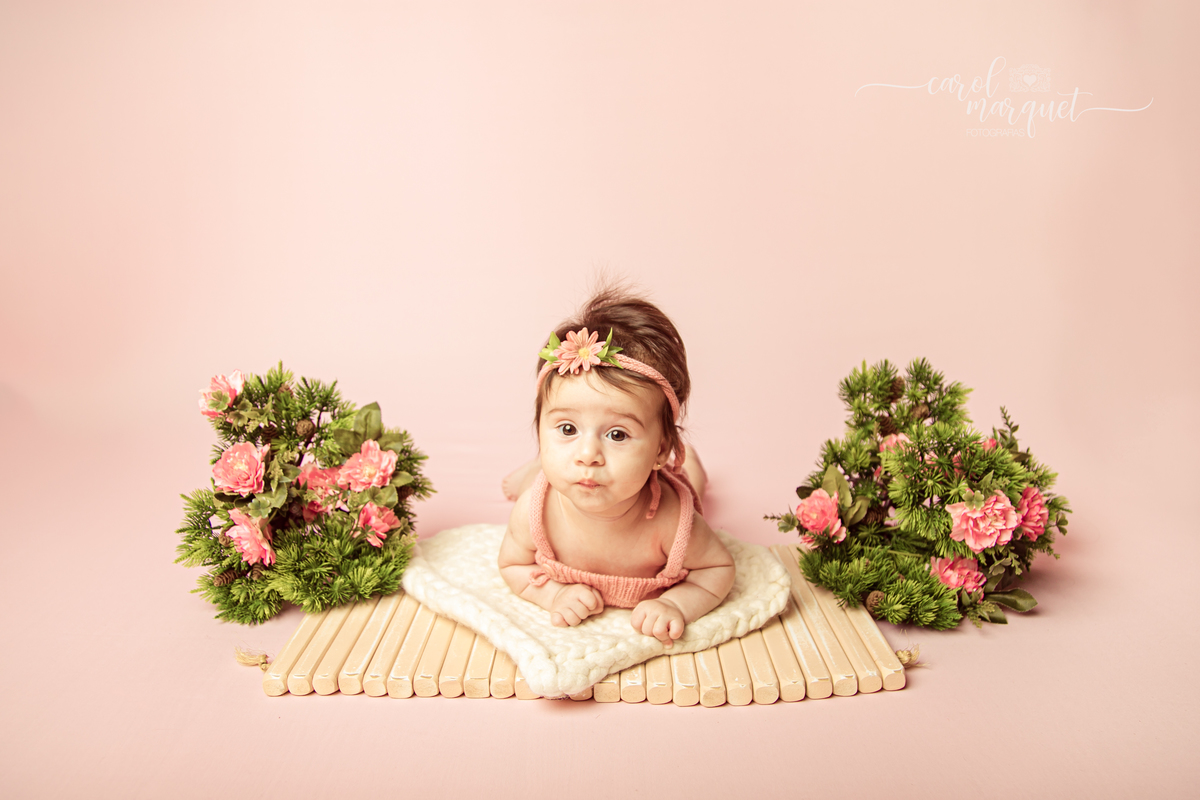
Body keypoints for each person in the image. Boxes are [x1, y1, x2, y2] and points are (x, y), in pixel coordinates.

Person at [498, 288, 734, 648]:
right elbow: (513, 567)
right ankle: (535, 466)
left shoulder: (675, 524)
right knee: (553, 472)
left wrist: (676, 603)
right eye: (567, 428)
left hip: (665, 481)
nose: (588, 454)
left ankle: (691, 462)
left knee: (693, 483)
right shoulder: (535, 511)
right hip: (552, 477)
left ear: (661, 449)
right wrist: (555, 595)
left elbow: (718, 570)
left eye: (618, 434)